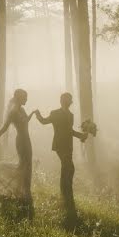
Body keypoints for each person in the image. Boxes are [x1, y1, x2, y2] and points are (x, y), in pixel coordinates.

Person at [34, 92, 88, 226]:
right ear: (62, 101)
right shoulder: (55, 113)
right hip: (59, 145)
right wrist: (37, 114)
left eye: (69, 100)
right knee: (68, 167)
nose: (68, 102)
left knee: (68, 169)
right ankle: (66, 194)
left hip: (68, 146)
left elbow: (69, 131)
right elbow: (44, 121)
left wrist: (81, 136)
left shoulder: (71, 115)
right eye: (66, 99)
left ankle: (65, 194)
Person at [0, 88, 35, 217]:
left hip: (27, 141)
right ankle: (25, 194)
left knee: (26, 167)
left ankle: (24, 193)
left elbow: (25, 121)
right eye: (25, 97)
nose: (27, 99)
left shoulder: (21, 109)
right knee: (23, 166)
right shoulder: (13, 112)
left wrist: (33, 113)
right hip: (21, 142)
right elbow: (4, 128)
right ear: (19, 97)